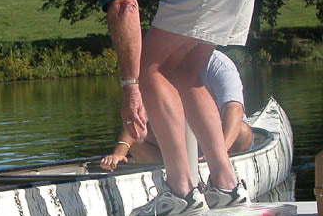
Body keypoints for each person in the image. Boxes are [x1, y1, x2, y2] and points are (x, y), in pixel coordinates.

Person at [26, 0, 266, 216]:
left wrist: (130, 88)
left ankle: (182, 191)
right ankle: (226, 185)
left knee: (154, 69)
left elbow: (124, 4)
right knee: (186, 73)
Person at [100, 50, 254, 171]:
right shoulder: (160, 67)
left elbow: (234, 108)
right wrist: (119, 152)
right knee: (137, 139)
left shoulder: (219, 65)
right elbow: (142, 112)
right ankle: (174, 177)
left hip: (220, 140)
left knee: (242, 131)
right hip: (180, 139)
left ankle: (222, 170)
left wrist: (219, 152)